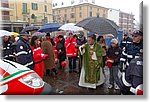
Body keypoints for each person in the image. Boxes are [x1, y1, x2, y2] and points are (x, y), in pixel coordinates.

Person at [119, 30, 143, 94]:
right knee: (124, 87)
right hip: (128, 70)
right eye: (132, 36)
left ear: (140, 37)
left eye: (135, 36)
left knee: (135, 89)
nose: (133, 37)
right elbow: (123, 56)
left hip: (138, 74)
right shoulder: (128, 46)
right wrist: (121, 64)